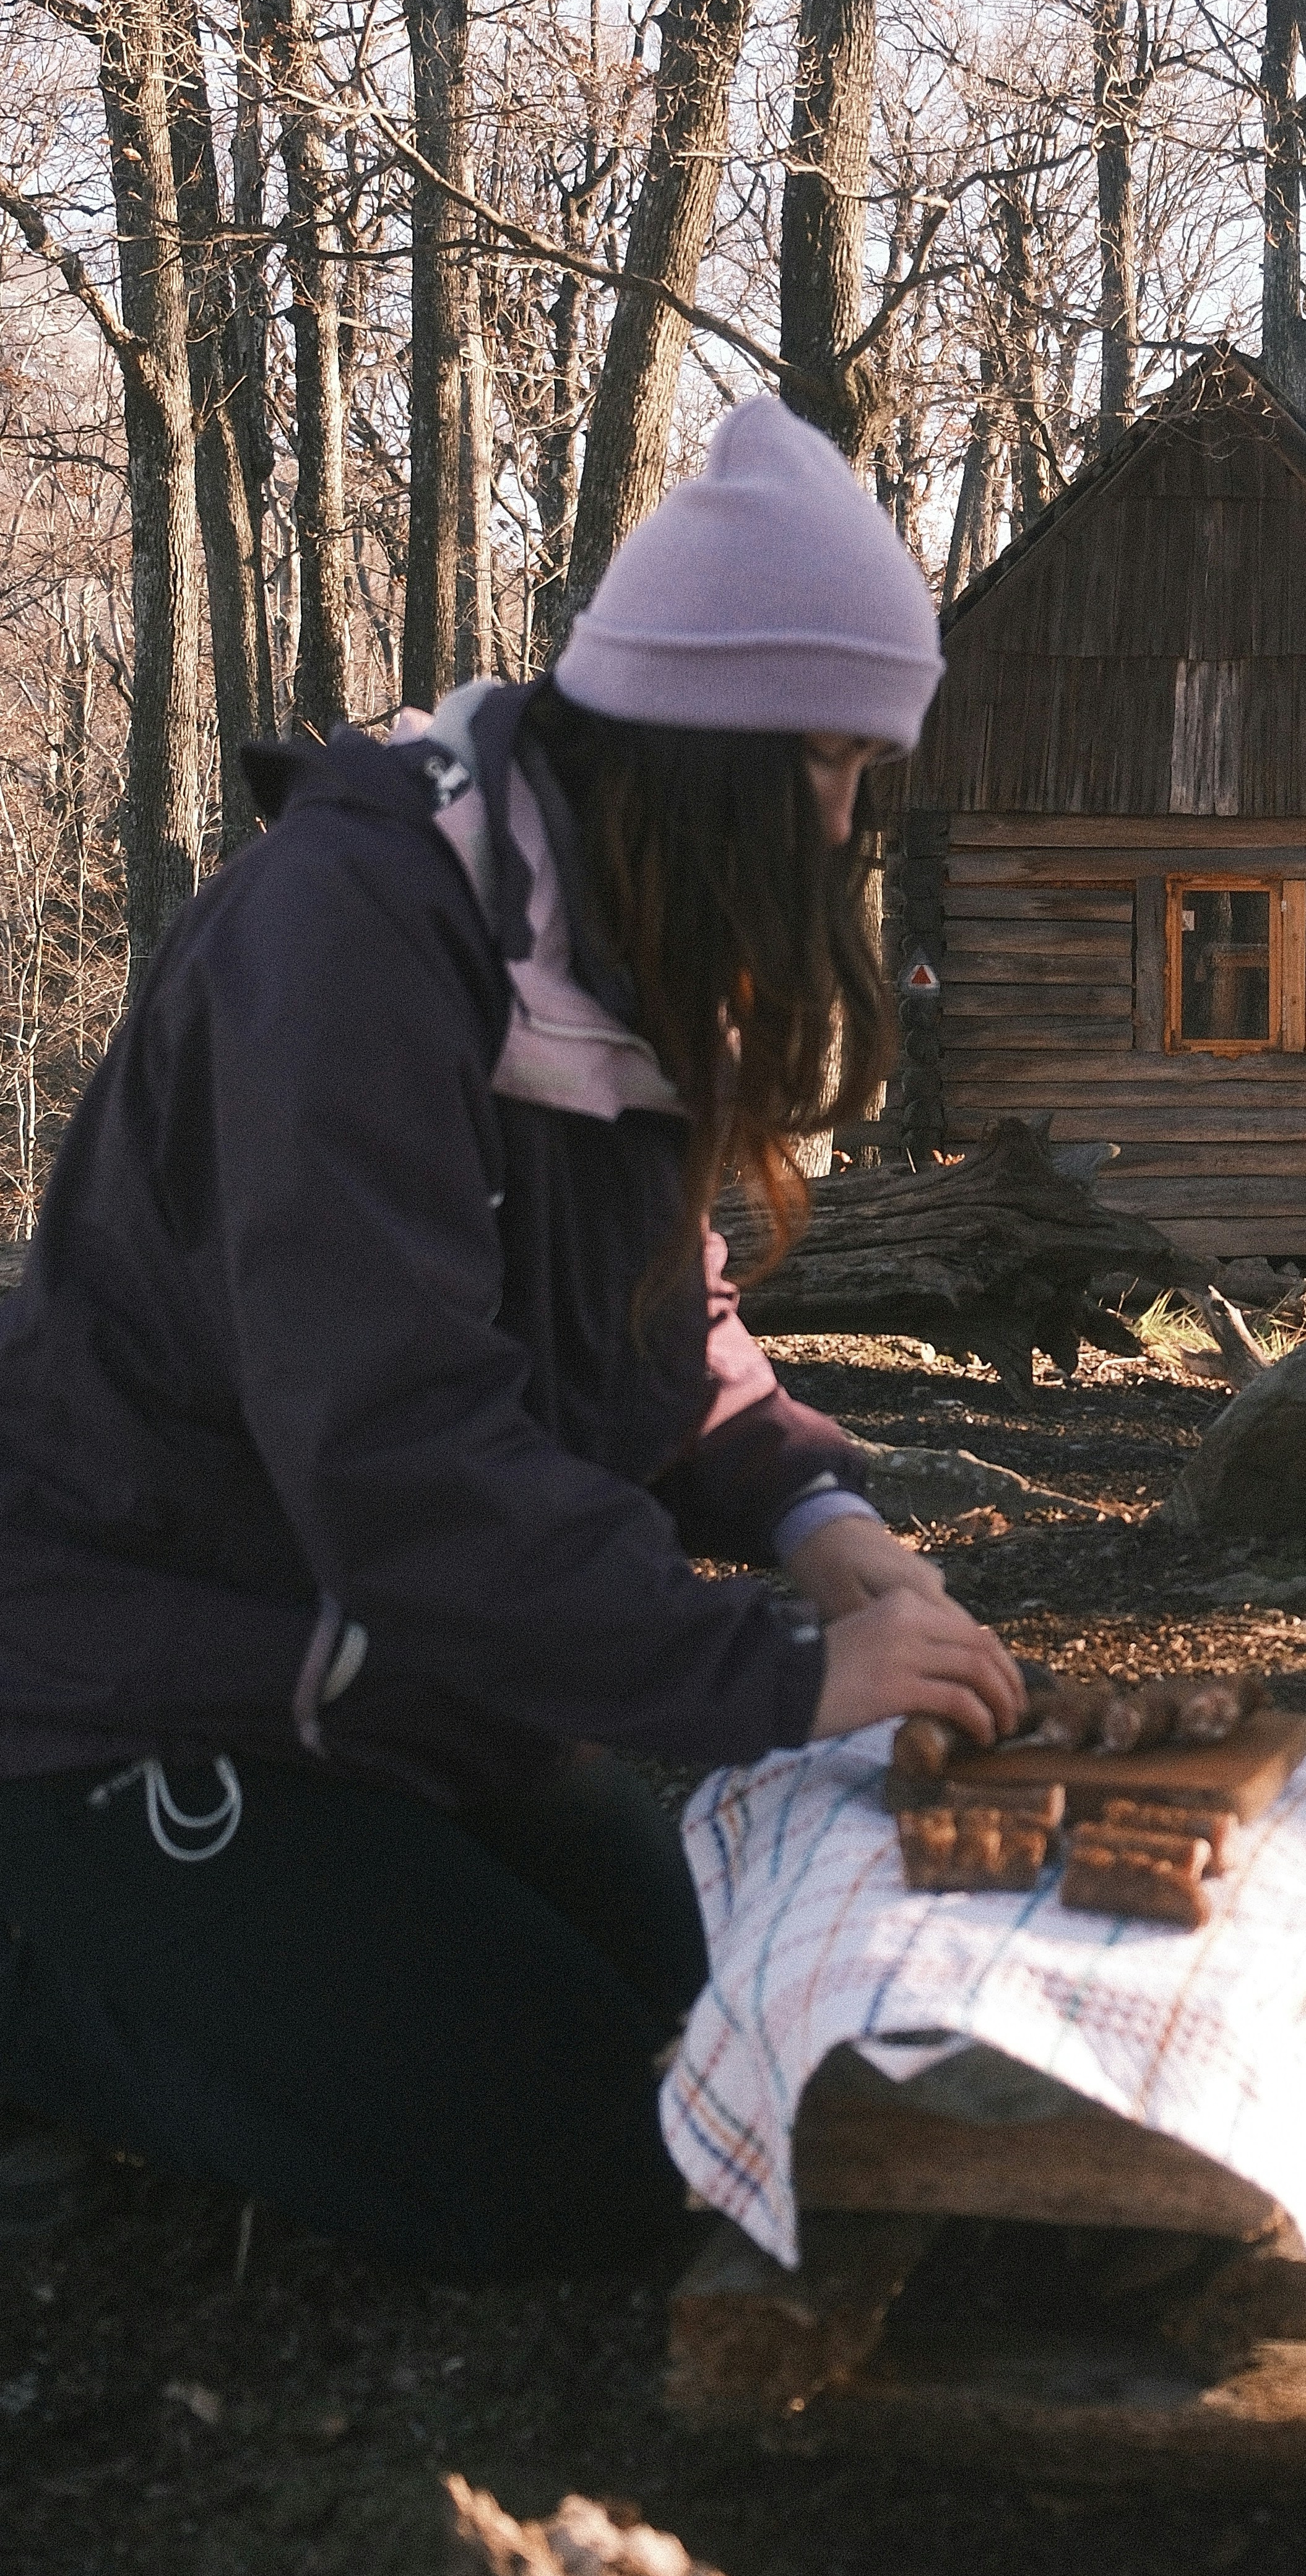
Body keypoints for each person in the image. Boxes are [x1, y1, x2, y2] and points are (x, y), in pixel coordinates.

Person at [0, 400, 1024, 2280]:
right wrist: (781, 1677)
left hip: (413, 1693)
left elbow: (669, 1326)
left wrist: (824, 1529)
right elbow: (396, 1454)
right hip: (140, 1682)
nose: (844, 825)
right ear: (700, 746)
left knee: (747, 2051)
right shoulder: (351, 939)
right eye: (826, 762)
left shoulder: (603, 945)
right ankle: (45, 1989)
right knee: (602, 2166)